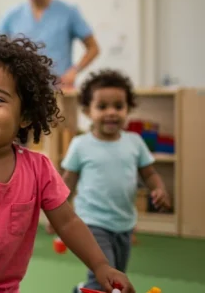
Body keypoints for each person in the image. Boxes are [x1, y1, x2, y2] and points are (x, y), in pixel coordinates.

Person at [0, 32, 134, 293]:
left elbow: (68, 222)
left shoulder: (38, 168)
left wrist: (101, 265)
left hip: (2, 286)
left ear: (26, 116)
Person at [59, 69, 170, 293]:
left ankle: (82, 290)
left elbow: (149, 173)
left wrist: (159, 188)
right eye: (102, 107)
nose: (111, 113)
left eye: (118, 106)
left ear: (128, 108)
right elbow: (68, 180)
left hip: (124, 223)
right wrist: (58, 214)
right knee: (104, 277)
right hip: (92, 222)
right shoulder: (81, 145)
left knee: (118, 277)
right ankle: (90, 288)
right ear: (87, 111)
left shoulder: (134, 142)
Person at [0, 0, 100, 88]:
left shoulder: (68, 12)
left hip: (60, 89)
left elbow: (93, 48)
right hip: (23, 90)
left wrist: (74, 71)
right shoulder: (11, 16)